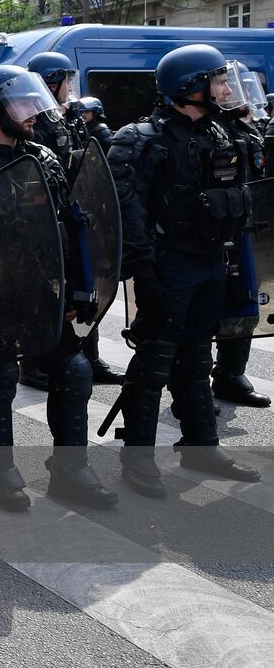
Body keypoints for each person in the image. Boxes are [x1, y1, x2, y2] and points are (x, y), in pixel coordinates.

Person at [0, 65, 118, 511]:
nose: (33, 111)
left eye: (34, 101)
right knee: (0, 376)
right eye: (21, 103)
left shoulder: (44, 158)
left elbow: (67, 227)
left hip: (44, 291)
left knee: (75, 371)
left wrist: (77, 290)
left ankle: (70, 469)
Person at [109, 44, 262, 497]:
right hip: (168, 266)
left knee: (197, 357)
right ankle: (137, 457)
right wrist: (145, 273)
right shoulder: (141, 139)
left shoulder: (221, 131)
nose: (226, 89)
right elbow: (124, 211)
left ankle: (201, 446)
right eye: (218, 81)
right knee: (155, 359)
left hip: (211, 260)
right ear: (191, 86)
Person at [21, 53, 123, 388]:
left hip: (76, 213)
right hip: (48, 218)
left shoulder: (69, 119)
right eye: (65, 79)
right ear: (51, 82)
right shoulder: (32, 121)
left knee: (85, 289)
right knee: (47, 293)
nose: (70, 86)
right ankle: (34, 364)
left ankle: (89, 356)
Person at [210, 66, 270, 408]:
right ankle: (191, 390)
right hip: (211, 235)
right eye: (222, 84)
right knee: (203, 311)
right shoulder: (207, 130)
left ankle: (230, 374)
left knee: (244, 302)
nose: (230, 92)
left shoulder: (245, 127)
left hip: (247, 230)